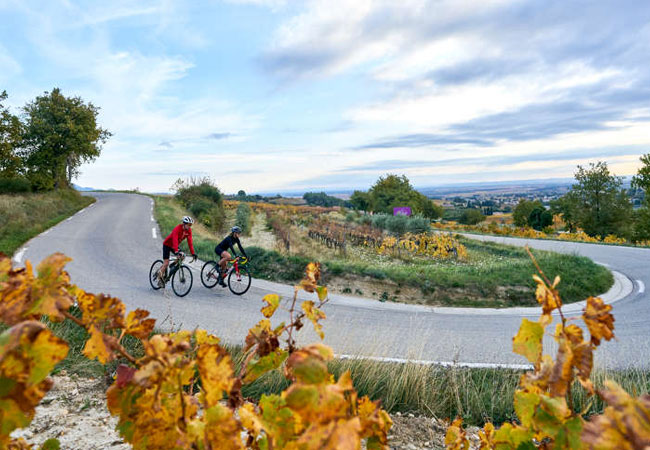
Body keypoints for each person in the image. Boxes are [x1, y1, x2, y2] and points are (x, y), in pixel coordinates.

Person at [158, 216, 197, 287]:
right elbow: (175, 240)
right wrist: (176, 251)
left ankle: (172, 265)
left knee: (182, 256)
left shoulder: (188, 231)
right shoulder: (177, 229)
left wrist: (193, 253)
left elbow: (190, 243)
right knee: (166, 263)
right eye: (188, 224)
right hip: (167, 244)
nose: (189, 226)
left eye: (190, 225)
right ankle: (159, 278)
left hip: (174, 246)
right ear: (184, 224)